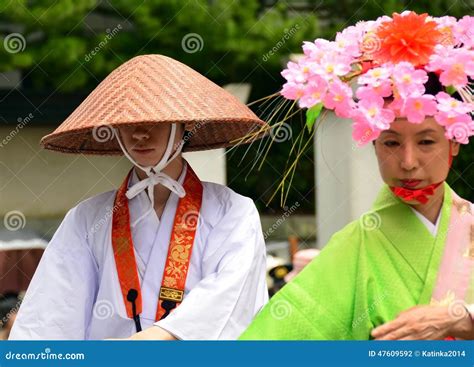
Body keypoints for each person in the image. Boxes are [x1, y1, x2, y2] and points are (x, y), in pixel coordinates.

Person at [240, 11, 474, 340]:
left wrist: (464, 318)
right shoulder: (354, 245)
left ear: (454, 142)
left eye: (426, 142)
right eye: (391, 143)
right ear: (374, 144)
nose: (408, 162)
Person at [9, 54, 269, 340]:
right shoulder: (87, 217)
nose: (140, 135)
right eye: (128, 123)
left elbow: (232, 292)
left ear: (183, 126)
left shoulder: (232, 210)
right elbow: (52, 313)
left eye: (155, 121)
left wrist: (163, 334)